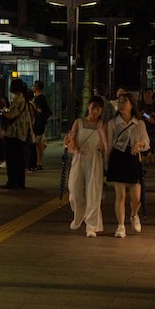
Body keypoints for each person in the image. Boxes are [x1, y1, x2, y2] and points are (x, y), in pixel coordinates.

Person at [65, 96, 109, 237]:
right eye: (93, 107)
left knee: (93, 193)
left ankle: (91, 226)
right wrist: (70, 144)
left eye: (98, 108)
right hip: (79, 157)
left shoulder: (103, 125)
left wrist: (102, 132)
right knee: (74, 190)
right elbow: (70, 142)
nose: (95, 111)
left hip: (95, 158)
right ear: (88, 107)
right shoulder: (79, 122)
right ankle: (79, 215)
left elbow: (105, 148)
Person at [107, 92, 149, 238]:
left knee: (136, 197)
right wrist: (106, 164)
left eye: (124, 101)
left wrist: (139, 144)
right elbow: (108, 144)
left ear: (131, 104)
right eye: (119, 101)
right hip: (118, 158)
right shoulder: (113, 123)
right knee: (120, 195)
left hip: (133, 159)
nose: (121, 104)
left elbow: (146, 143)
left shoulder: (139, 123)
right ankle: (120, 226)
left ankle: (134, 215)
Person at [1, 78, 32, 189]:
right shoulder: (26, 100)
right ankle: (20, 182)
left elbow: (11, 115)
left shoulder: (18, 100)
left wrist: (3, 111)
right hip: (22, 134)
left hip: (14, 133)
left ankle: (12, 181)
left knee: (12, 159)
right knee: (20, 159)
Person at [29, 80, 52, 171]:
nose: (32, 87)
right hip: (41, 124)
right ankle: (39, 163)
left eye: (34, 86)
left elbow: (41, 111)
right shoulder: (41, 98)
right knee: (40, 144)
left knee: (37, 144)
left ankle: (38, 162)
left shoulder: (39, 99)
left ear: (37, 88)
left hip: (38, 125)